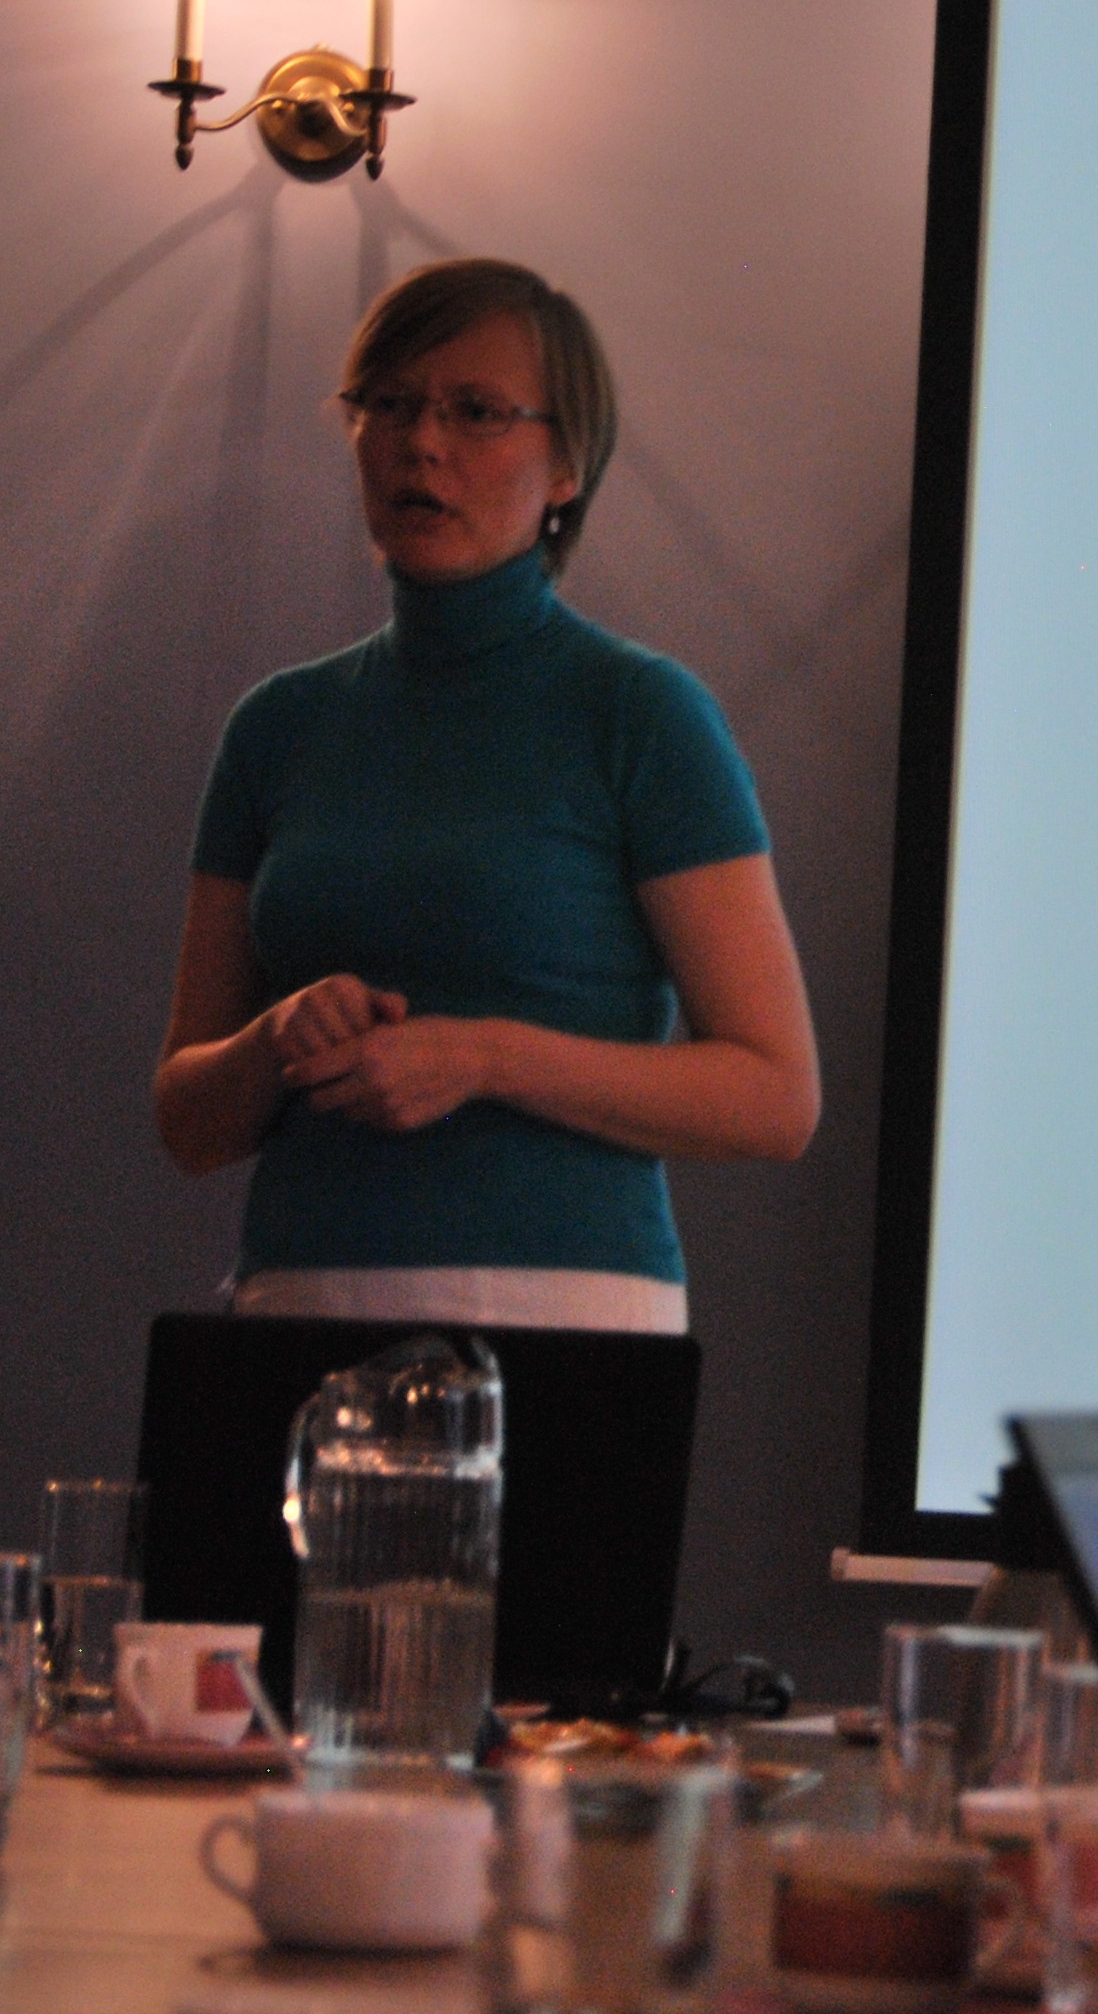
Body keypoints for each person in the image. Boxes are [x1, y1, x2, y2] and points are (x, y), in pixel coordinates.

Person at [152, 258, 820, 1333]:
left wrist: (486, 1058)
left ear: (567, 468)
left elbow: (774, 1097)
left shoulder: (639, 712)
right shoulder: (278, 725)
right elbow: (190, 1125)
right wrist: (275, 1036)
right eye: (390, 404)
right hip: (302, 1307)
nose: (422, 442)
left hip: (562, 1318)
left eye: (476, 412)